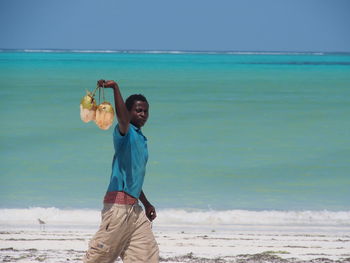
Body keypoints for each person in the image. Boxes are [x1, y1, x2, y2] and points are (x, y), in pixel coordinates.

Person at [83, 80, 159, 263]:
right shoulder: (125, 133)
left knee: (147, 256)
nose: (142, 114)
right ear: (127, 111)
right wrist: (115, 88)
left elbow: (133, 178)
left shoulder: (141, 139)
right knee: (99, 258)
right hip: (118, 209)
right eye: (138, 110)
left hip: (135, 211)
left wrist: (147, 204)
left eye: (145, 111)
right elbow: (122, 119)